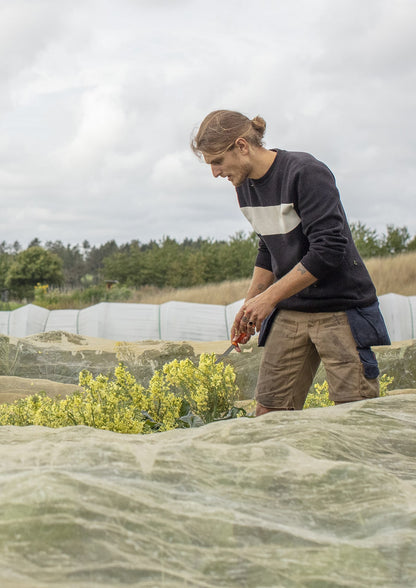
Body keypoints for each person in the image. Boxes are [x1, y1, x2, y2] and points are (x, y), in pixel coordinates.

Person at [191, 109, 390, 416]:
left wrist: (269, 298)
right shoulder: (243, 186)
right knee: (269, 414)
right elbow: (268, 245)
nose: (215, 172)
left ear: (242, 146)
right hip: (291, 311)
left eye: (218, 161)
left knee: (355, 417)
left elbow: (329, 249)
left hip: (341, 309)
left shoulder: (305, 172)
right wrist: (251, 304)